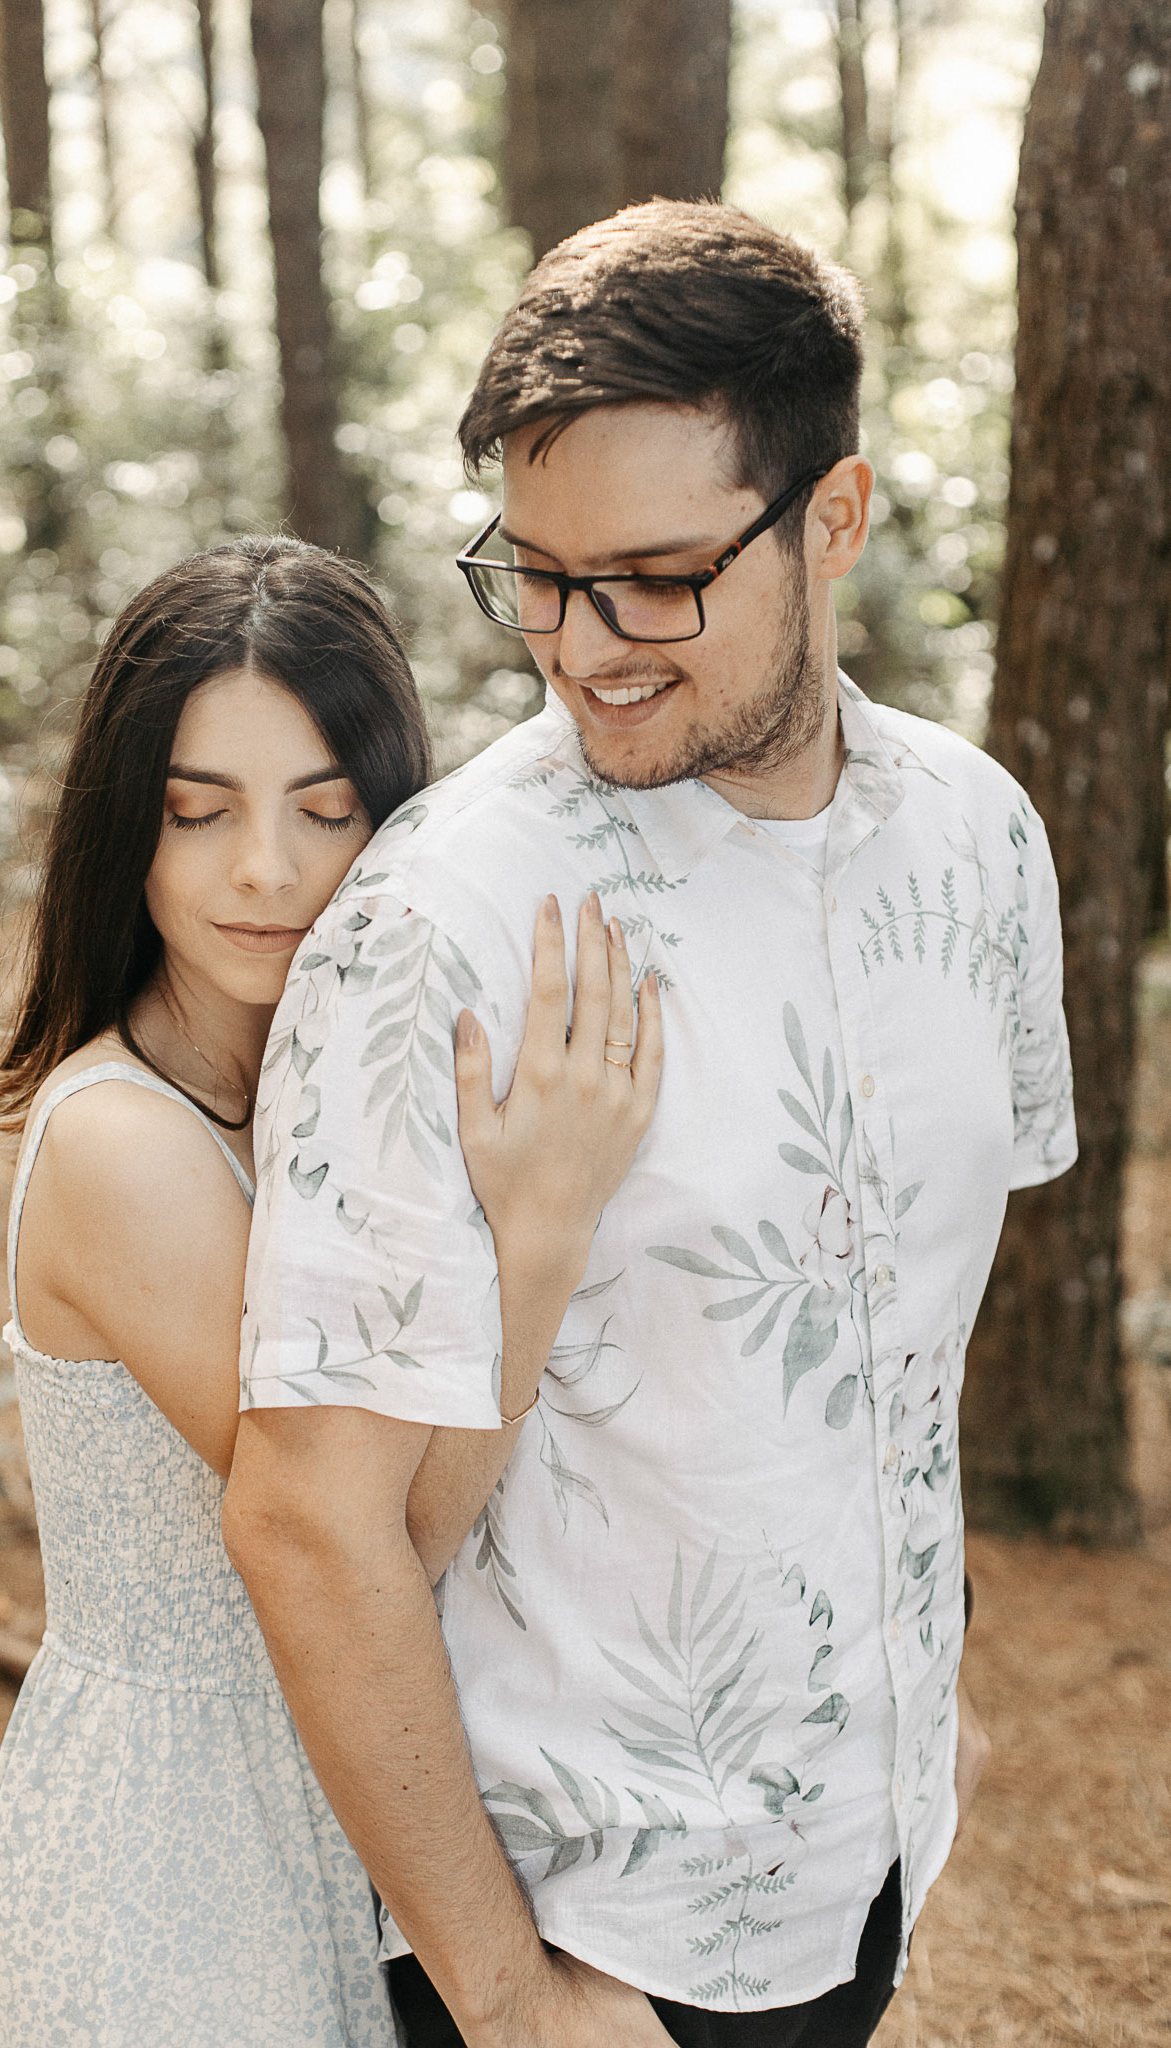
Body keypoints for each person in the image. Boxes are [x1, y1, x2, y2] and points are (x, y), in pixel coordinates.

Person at [224, 201, 1075, 2048]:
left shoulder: (984, 843)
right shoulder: (438, 921)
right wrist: (505, 1997)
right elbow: (306, 1520)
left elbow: (901, 1335)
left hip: (866, 1860)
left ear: (832, 519)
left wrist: (911, 1702)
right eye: (533, 575)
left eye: (655, 578)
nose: (579, 644)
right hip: (581, 1934)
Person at [0, 536, 661, 2047]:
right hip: (182, 1849)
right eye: (196, 811)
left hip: (363, 1792)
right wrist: (540, 1238)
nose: (264, 868)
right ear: (123, 830)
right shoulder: (127, 1146)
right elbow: (371, 1539)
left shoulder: (325, 1103)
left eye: (324, 810)